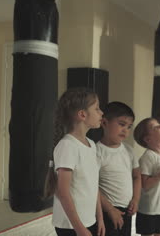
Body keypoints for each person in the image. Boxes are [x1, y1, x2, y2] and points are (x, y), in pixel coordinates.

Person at [44, 88, 105, 236]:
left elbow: (92, 185)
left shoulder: (91, 144)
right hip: (70, 225)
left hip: (88, 220)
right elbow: (62, 192)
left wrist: (100, 217)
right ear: (82, 115)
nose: (101, 113)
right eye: (97, 108)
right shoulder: (67, 146)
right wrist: (79, 228)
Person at [97, 102, 141, 236]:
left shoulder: (129, 150)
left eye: (129, 127)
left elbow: (137, 176)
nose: (125, 130)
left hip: (127, 209)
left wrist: (135, 199)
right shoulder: (96, 151)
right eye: (121, 124)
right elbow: (91, 186)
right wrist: (110, 209)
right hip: (107, 210)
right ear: (104, 123)